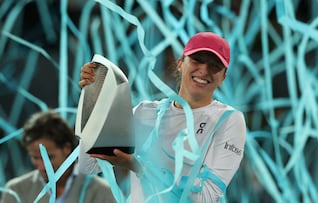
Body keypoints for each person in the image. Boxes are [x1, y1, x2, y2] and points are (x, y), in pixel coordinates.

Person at [78, 32, 246, 202]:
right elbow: (88, 165)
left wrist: (139, 166)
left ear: (223, 76)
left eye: (215, 65)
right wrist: (93, 99)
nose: (204, 70)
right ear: (180, 64)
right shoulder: (144, 112)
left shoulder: (228, 120)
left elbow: (206, 197)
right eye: (197, 60)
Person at [0, 110, 116, 203]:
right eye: (35, 158)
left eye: (49, 157)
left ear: (66, 148)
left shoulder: (100, 191)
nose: (42, 166)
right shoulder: (16, 190)